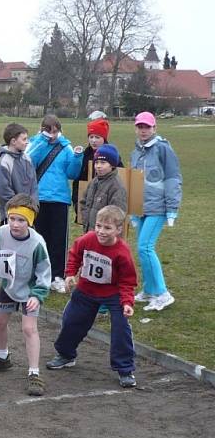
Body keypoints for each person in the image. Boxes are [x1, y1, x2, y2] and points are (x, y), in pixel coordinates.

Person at [47, 205, 139, 388]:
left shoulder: (122, 253)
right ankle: (66, 355)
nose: (101, 231)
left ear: (119, 230)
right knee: (72, 321)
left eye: (107, 228)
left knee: (121, 329)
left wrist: (127, 302)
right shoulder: (87, 240)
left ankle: (125, 369)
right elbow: (75, 254)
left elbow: (128, 281)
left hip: (113, 294)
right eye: (98, 226)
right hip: (86, 290)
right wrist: (70, 273)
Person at [0, 194, 51, 396]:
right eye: (12, 218)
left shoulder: (37, 244)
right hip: (8, 287)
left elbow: (44, 272)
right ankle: (3, 358)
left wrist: (37, 295)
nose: (15, 224)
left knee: (29, 328)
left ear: (30, 221)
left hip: (30, 291)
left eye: (21, 220)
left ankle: (34, 373)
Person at [129, 111, 182, 312]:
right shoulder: (136, 152)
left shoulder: (163, 149)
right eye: (140, 127)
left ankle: (162, 293)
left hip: (158, 207)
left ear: (154, 128)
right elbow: (133, 181)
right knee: (142, 249)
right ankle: (149, 289)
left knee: (145, 247)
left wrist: (172, 209)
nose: (143, 131)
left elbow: (172, 178)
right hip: (141, 208)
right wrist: (133, 211)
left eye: (147, 127)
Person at [26, 114, 84, 294]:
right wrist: (43, 141)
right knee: (39, 239)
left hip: (59, 199)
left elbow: (72, 174)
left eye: (55, 131)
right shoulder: (34, 143)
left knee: (59, 240)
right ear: (42, 130)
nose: (52, 135)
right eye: (49, 131)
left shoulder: (66, 147)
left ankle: (57, 276)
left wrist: (76, 157)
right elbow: (29, 161)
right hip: (39, 198)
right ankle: (39, 274)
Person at [73, 118, 123, 224]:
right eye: (91, 137)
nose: (93, 140)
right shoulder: (85, 154)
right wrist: (76, 201)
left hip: (105, 201)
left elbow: (121, 176)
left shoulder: (112, 155)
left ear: (104, 138)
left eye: (97, 137)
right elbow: (78, 180)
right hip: (89, 202)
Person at [0, 123, 37, 225]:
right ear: (13, 141)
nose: (27, 142)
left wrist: (33, 206)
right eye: (24, 139)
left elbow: (33, 185)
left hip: (29, 213)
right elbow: (3, 192)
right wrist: (20, 209)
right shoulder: (4, 163)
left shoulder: (27, 159)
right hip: (12, 217)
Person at [80, 144, 127, 233]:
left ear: (112, 165)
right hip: (90, 232)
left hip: (106, 235)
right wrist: (86, 220)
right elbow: (84, 202)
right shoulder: (93, 182)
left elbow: (118, 213)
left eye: (103, 163)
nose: (98, 166)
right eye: (96, 162)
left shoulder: (116, 186)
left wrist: (106, 230)